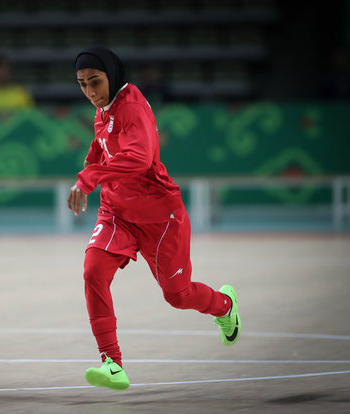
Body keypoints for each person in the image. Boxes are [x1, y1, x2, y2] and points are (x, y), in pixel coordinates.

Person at [67, 46, 241, 391]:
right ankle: (112, 363)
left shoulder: (131, 107)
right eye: (82, 84)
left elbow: (139, 158)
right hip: (117, 210)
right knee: (92, 272)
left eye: (95, 82)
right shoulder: (105, 108)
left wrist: (89, 178)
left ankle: (224, 305)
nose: (89, 92)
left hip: (160, 217)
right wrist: (91, 162)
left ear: (112, 76)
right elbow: (103, 142)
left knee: (177, 296)